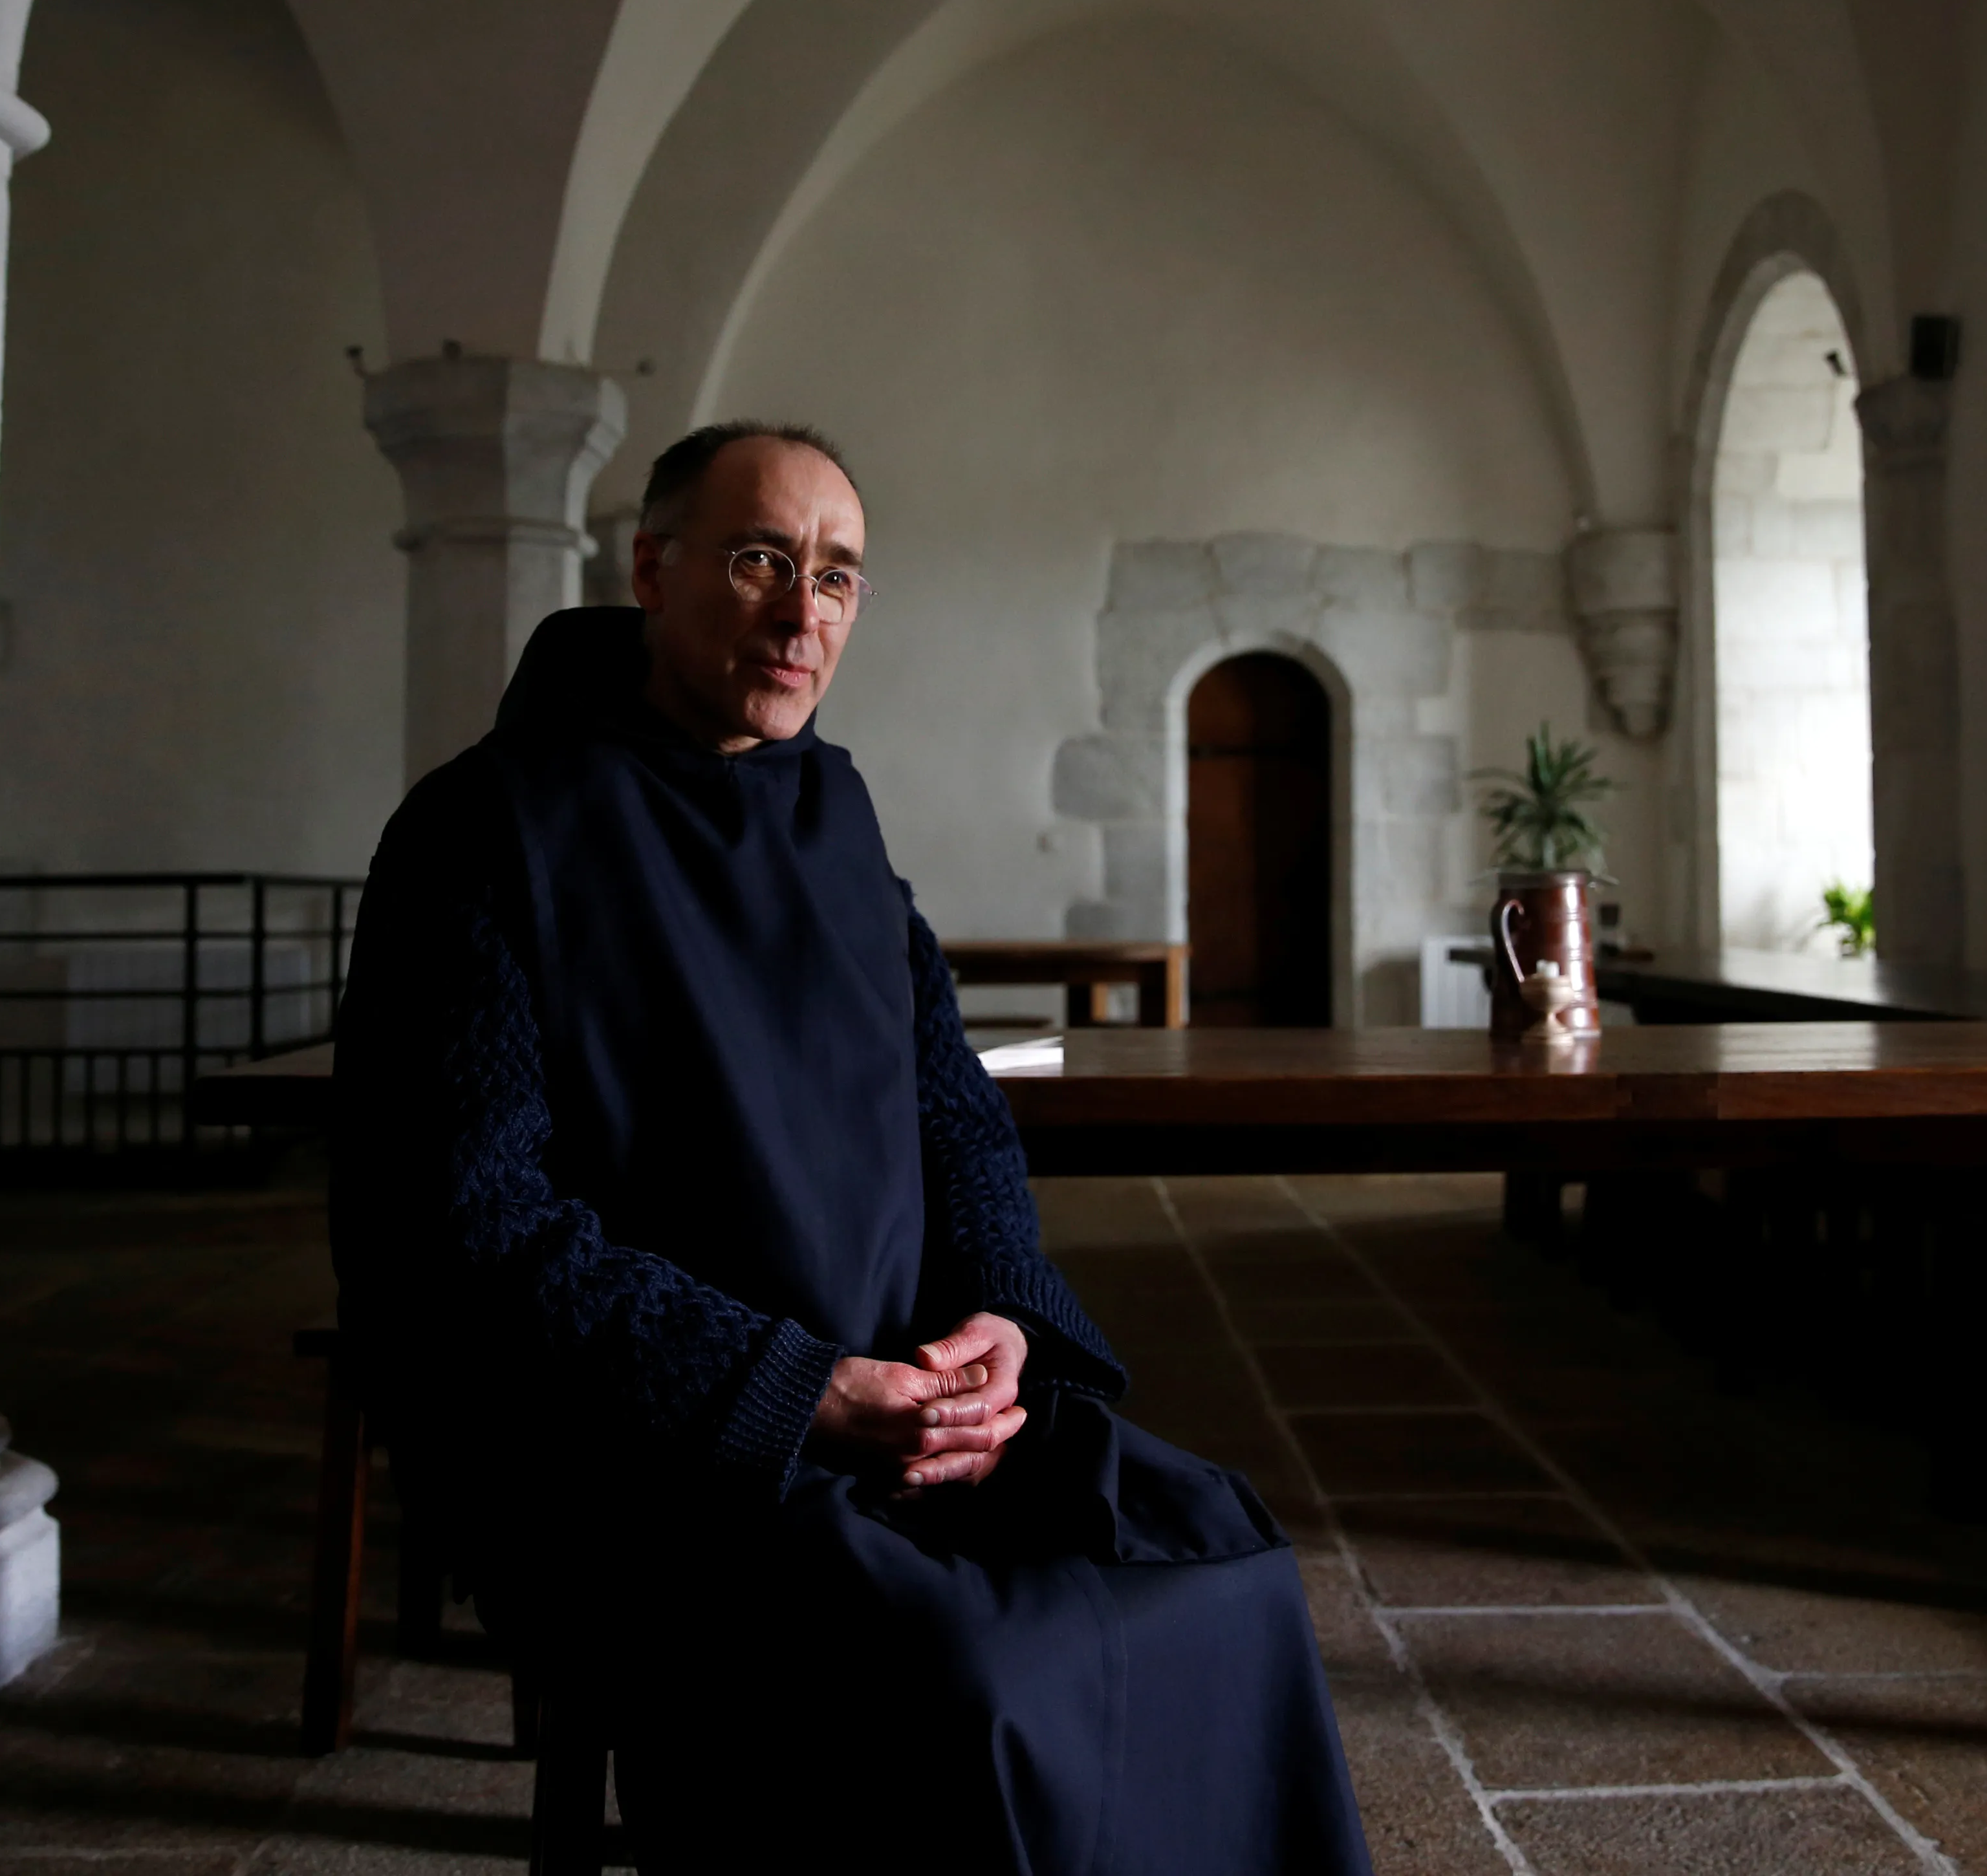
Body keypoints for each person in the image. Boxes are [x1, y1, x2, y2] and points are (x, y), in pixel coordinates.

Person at [329, 422, 1375, 1874]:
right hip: (662, 1448)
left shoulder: (838, 813)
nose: (800, 609)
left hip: (901, 1398)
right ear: (650, 567)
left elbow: (950, 1102)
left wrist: (1003, 1323)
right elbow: (474, 1226)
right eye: (759, 558)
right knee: (975, 1683)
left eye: (837, 576)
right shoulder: (484, 830)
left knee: (1218, 1554)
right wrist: (796, 1392)